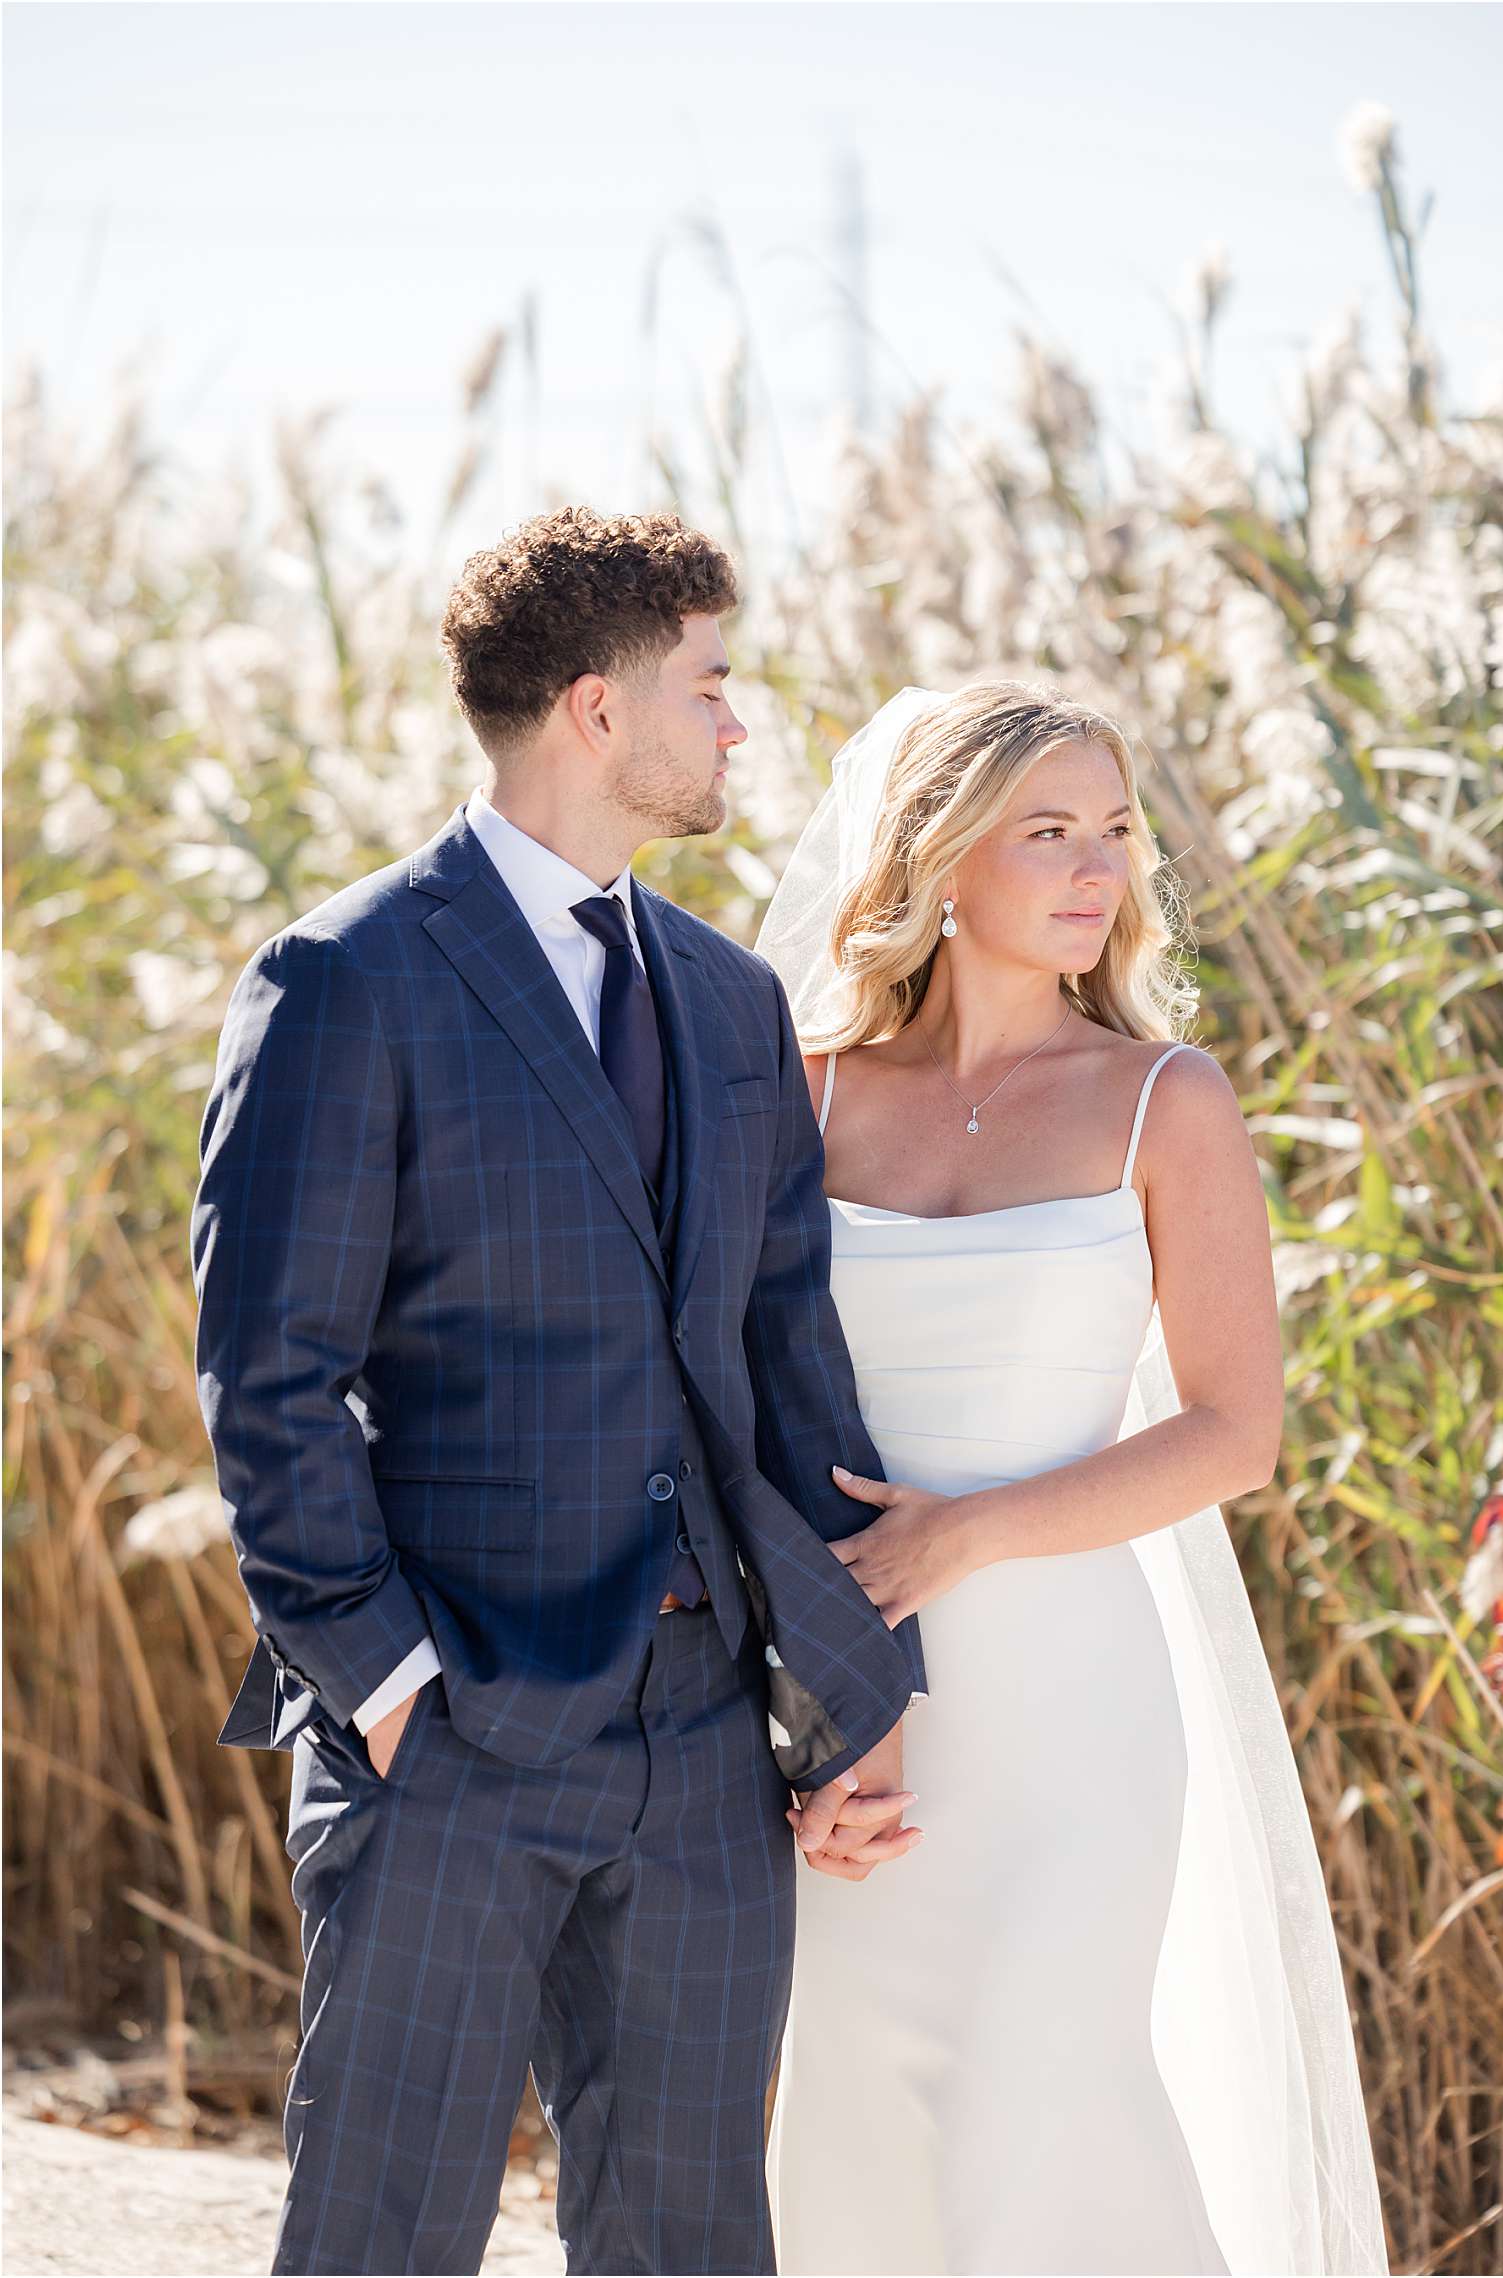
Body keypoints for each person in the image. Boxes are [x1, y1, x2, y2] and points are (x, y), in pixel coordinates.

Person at [190, 507, 925, 2278]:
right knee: (382, 2235)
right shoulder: (345, 979)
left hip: (701, 1750)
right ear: (598, 708)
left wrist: (855, 1687)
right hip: (446, 1737)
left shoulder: (736, 1003)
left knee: (690, 2242)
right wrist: (377, 1678)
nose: (738, 725)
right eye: (713, 684)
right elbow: (265, 1374)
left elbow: (788, 1367)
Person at [757, 683, 1389, 2276]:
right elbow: (736, 1418)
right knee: (869, 2129)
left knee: (1031, 2115)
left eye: (1113, 828)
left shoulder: (1168, 1103)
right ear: (938, 856)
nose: (1096, 865)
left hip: (1077, 1716)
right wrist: (804, 1723)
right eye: (1048, 830)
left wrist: (963, 1534)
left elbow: (1235, 1429)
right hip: (860, 1704)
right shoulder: (806, 1096)